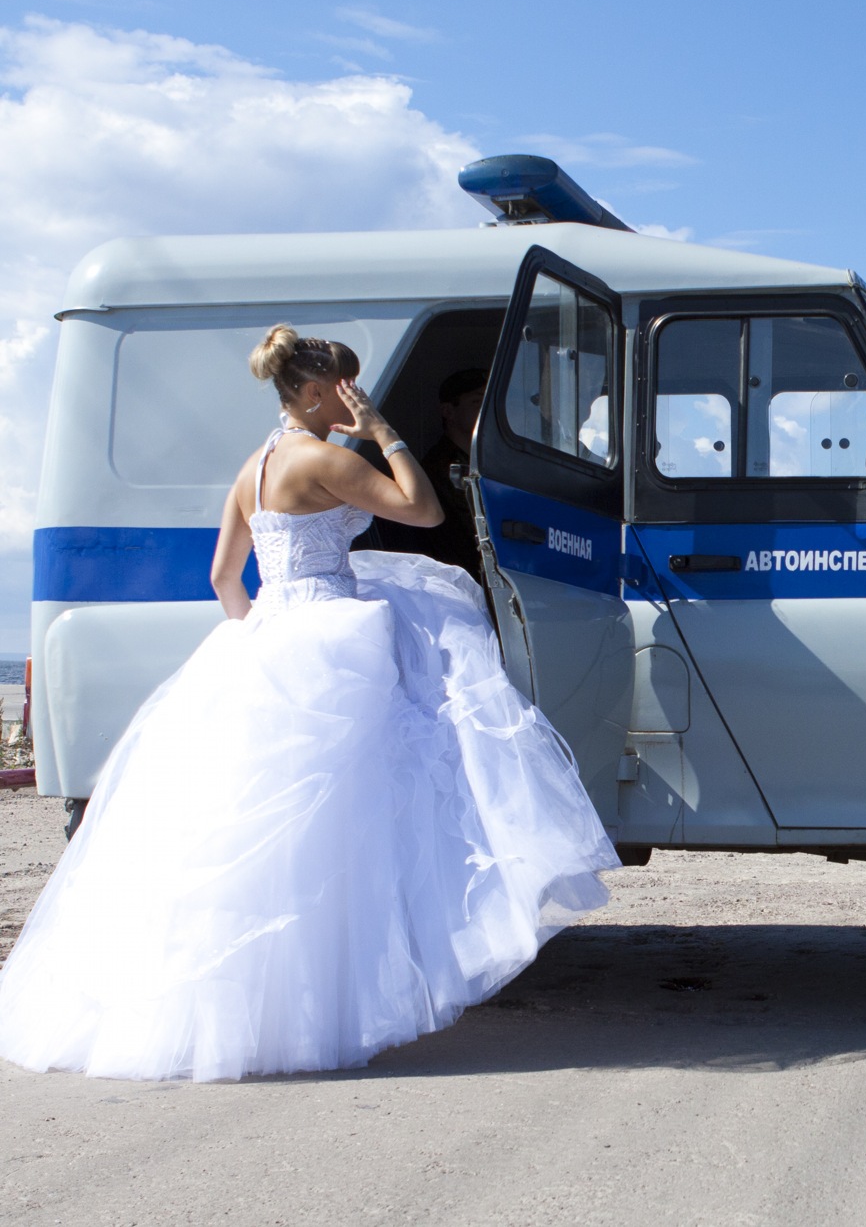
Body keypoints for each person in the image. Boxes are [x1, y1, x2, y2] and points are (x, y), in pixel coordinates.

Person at [0, 326, 619, 1082]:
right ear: (321, 392)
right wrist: (384, 432)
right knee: (346, 821)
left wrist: (258, 641)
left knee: (266, 829)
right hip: (334, 631)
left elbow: (226, 578)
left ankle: (254, 1009)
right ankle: (326, 1003)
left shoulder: (252, 469)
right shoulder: (326, 459)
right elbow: (420, 512)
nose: (360, 397)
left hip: (272, 634)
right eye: (351, 386)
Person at [416, 368, 486, 582]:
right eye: (477, 402)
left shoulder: (485, 460)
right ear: (448, 411)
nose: (486, 410)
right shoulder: (441, 467)